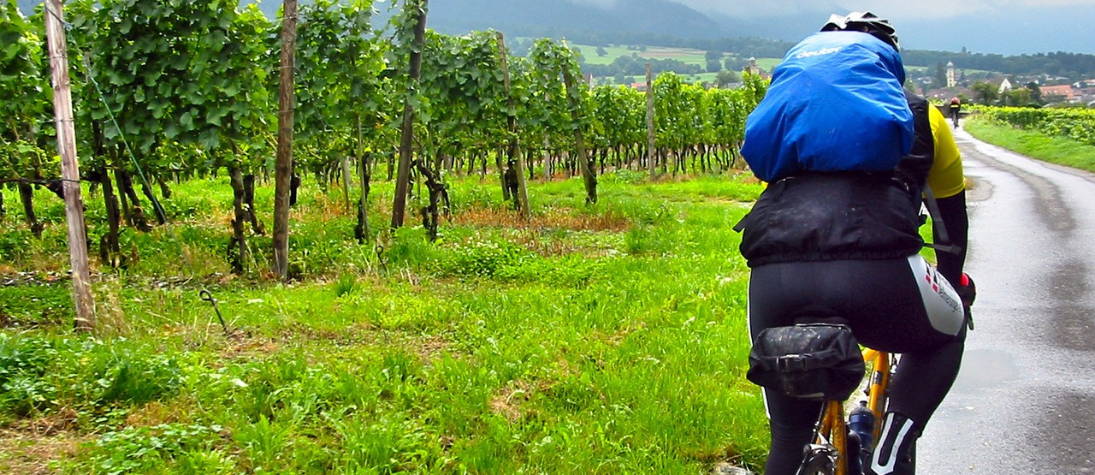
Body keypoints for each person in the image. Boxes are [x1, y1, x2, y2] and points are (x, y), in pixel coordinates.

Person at [736, 12, 975, 475]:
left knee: (788, 437)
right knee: (947, 330)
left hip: (777, 276)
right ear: (888, 61)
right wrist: (953, 284)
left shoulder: (790, 118)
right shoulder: (921, 114)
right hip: (880, 271)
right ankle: (891, 450)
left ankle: (793, 451)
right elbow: (949, 229)